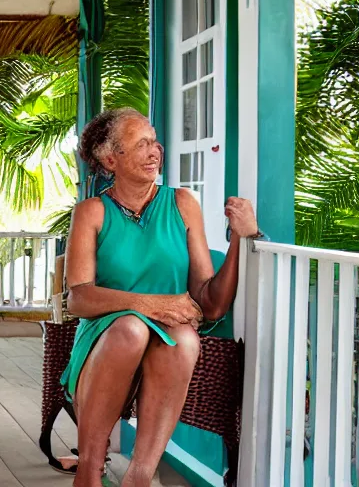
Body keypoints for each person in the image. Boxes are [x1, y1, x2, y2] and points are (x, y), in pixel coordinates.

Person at [61, 108, 258, 487]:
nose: (155, 152)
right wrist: (152, 304)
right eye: (141, 144)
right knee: (132, 329)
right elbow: (79, 299)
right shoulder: (91, 213)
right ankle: (88, 470)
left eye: (154, 141)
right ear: (110, 159)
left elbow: (211, 303)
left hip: (168, 331)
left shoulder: (182, 203)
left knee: (185, 340)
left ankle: (140, 475)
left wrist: (239, 239)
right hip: (107, 335)